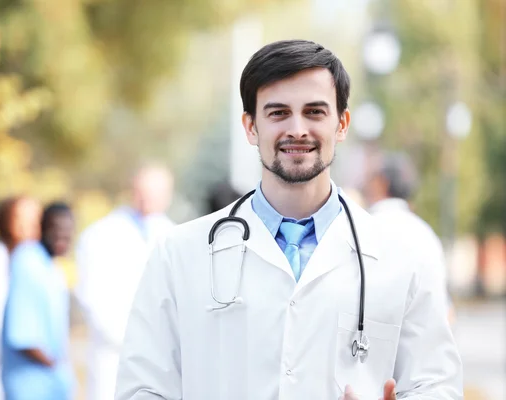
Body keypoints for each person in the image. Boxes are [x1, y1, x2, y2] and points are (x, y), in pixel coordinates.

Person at [114, 40, 463, 400]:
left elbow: (436, 385)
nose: (297, 129)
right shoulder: (179, 255)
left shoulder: (403, 259)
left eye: (314, 112)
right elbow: (143, 388)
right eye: (278, 113)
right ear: (251, 127)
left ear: (342, 123)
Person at [75, 164, 176, 400]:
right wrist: (131, 340)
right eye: (145, 192)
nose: (150, 200)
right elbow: (91, 295)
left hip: (161, 359)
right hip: (113, 353)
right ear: (134, 190)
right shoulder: (100, 234)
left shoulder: (175, 235)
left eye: (158, 194)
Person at [363, 150, 456, 323]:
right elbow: (446, 309)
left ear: (382, 183)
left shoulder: (364, 229)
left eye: (371, 178)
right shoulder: (427, 234)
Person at [1, 202, 75, 400]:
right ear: (42, 227)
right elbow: (23, 336)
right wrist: (55, 366)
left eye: (67, 231)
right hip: (32, 386)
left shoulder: (50, 266)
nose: (62, 237)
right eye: (55, 229)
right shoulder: (27, 261)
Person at [0, 196, 41, 400]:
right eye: (19, 217)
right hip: (2, 365)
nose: (26, 225)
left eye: (34, 218)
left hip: (32, 372)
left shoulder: (36, 260)